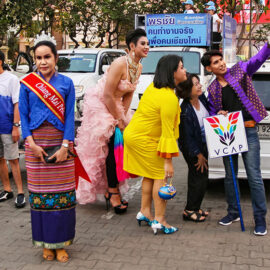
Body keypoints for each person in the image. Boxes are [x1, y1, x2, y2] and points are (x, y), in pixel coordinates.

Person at [201, 38, 270, 236]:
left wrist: (268, 46)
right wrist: (219, 114)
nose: (221, 63)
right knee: (230, 177)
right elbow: (213, 113)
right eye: (215, 62)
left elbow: (258, 59)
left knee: (254, 177)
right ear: (209, 68)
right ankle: (233, 212)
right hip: (229, 134)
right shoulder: (212, 89)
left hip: (248, 130)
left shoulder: (240, 70)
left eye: (221, 59)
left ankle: (259, 219)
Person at [75, 29, 149, 213]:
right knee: (108, 146)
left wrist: (123, 117)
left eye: (148, 44)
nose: (147, 47)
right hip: (101, 104)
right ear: (132, 46)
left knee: (119, 147)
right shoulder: (119, 63)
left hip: (117, 105)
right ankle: (112, 191)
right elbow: (108, 94)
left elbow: (129, 93)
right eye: (143, 44)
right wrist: (117, 120)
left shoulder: (138, 67)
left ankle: (112, 188)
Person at [19, 37, 76, 261]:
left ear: (55, 58)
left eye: (47, 57)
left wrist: (65, 145)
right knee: (40, 197)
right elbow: (23, 116)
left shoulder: (66, 83)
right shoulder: (27, 83)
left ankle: (60, 244)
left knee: (62, 195)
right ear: (35, 60)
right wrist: (30, 143)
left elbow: (70, 116)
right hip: (36, 147)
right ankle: (45, 242)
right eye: (39, 58)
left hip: (60, 145)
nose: (43, 62)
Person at [123, 55, 187, 234]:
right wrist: (168, 161)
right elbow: (167, 132)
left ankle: (145, 211)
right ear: (172, 72)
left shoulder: (154, 88)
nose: (185, 71)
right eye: (181, 67)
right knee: (161, 175)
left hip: (136, 136)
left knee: (149, 175)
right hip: (144, 139)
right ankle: (160, 220)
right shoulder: (168, 97)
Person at [177, 74, 210, 222]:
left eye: (199, 83)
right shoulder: (185, 110)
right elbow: (185, 137)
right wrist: (198, 154)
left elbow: (211, 114)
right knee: (197, 178)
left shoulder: (201, 99)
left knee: (202, 178)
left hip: (203, 145)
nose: (200, 86)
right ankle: (189, 210)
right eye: (195, 84)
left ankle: (196, 207)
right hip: (193, 149)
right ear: (187, 90)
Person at [0, 50, 25, 208]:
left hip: (7, 126)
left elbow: (17, 104)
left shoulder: (11, 79)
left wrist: (16, 126)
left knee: (13, 160)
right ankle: (7, 190)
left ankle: (20, 193)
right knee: (0, 159)